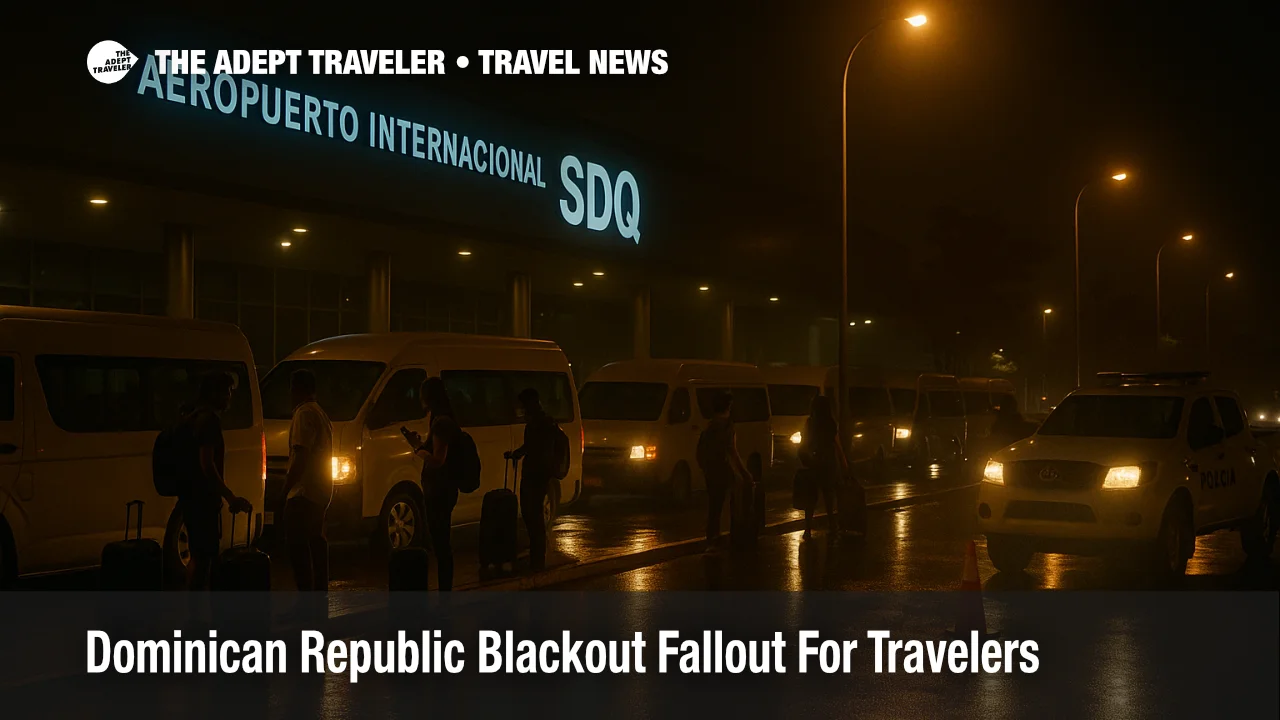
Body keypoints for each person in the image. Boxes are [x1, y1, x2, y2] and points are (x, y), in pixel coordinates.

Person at [182, 372, 252, 590]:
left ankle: (194, 615)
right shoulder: (209, 421)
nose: (229, 397)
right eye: (227, 392)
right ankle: (197, 617)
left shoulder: (192, 416)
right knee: (204, 558)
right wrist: (229, 496)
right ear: (215, 393)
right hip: (203, 500)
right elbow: (207, 464)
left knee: (198, 556)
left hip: (190, 495)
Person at [404, 377, 460, 591]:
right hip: (442, 489)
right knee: (440, 542)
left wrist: (419, 449)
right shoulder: (441, 420)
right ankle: (444, 591)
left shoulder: (441, 422)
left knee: (441, 544)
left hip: (440, 491)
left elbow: (438, 459)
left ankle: (445, 594)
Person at [282, 369, 334, 595]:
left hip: (304, 490)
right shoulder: (320, 413)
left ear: (297, 389)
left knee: (297, 544)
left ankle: (305, 595)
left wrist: (285, 489)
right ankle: (319, 591)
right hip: (321, 488)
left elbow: (301, 455)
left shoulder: (304, 414)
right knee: (316, 540)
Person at [505, 388, 558, 571]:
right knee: (533, 516)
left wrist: (519, 455)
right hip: (540, 475)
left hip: (535, 476)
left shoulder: (538, 424)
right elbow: (530, 447)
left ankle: (537, 561)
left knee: (532, 516)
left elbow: (533, 448)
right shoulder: (545, 422)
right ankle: (537, 558)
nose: (520, 410)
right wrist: (517, 454)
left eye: (522, 406)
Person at [698, 391, 752, 552]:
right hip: (725, 470)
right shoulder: (728, 427)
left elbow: (700, 452)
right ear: (728, 407)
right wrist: (744, 473)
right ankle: (730, 538)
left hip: (711, 471)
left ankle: (712, 538)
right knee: (733, 504)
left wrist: (705, 468)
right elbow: (733, 452)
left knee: (714, 506)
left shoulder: (709, 427)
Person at [801, 395, 847, 541]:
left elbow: (805, 441)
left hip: (814, 462)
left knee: (811, 498)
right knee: (828, 495)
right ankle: (832, 525)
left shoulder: (810, 423)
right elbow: (836, 443)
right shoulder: (830, 423)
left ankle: (807, 528)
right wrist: (843, 460)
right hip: (828, 462)